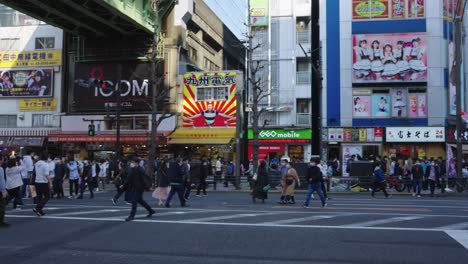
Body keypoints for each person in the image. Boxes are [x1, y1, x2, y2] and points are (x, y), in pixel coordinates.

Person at [121, 157, 155, 221]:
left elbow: (144, 179)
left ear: (136, 163)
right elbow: (129, 178)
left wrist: (146, 187)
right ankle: (151, 210)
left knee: (134, 202)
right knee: (140, 201)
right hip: (135, 187)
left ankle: (131, 216)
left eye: (132, 162)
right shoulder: (133, 169)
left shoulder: (140, 170)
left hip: (139, 188)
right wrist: (123, 185)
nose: (131, 163)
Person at [0, 156, 9, 227]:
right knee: (2, 206)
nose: (3, 161)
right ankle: (1, 222)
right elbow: (2, 181)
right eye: (2, 160)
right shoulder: (1, 169)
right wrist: (4, 191)